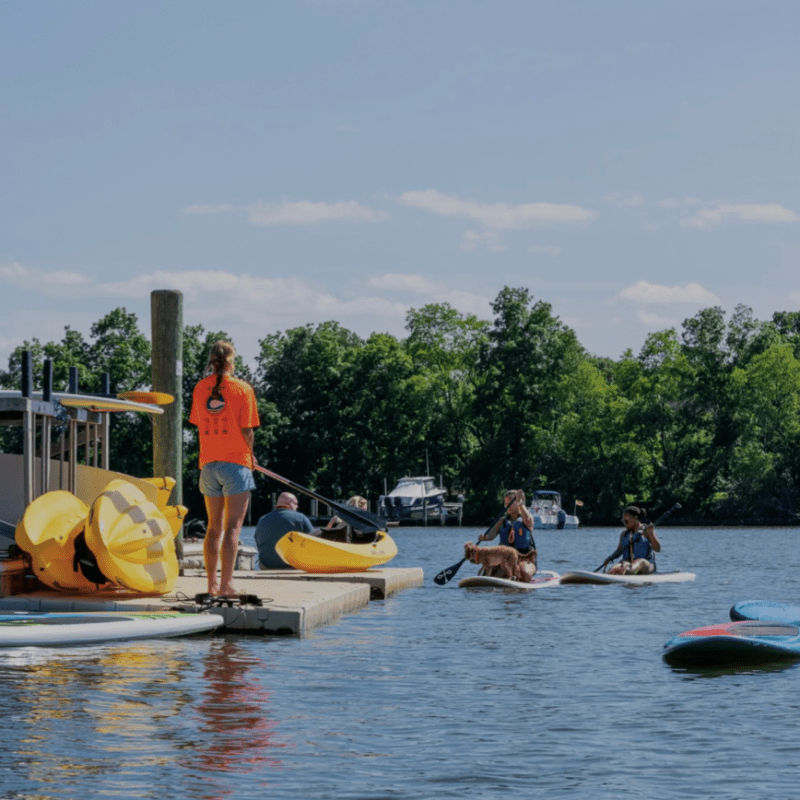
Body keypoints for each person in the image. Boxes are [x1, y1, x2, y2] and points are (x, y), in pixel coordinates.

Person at [189, 340, 259, 596]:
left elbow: (199, 423)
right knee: (232, 528)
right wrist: (251, 456)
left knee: (213, 527)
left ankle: (212, 586)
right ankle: (227, 585)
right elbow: (247, 430)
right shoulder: (242, 389)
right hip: (235, 463)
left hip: (208, 464)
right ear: (232, 361)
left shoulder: (199, 389)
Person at [478, 488, 538, 581]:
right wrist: (484, 537)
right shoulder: (502, 520)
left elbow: (529, 521)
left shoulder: (527, 518)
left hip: (525, 558)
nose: (507, 505)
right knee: (489, 572)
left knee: (524, 573)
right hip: (505, 558)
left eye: (510, 502)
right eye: (505, 503)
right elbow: (491, 534)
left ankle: (519, 575)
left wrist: (520, 503)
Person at [254, 492, 314, 569]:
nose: (297, 506)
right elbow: (313, 540)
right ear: (289, 503)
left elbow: (258, 542)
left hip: (266, 564)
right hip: (292, 565)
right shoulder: (301, 518)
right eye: (295, 503)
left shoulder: (262, 519)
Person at [603, 505, 661, 575]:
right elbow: (619, 551)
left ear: (635, 518)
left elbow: (657, 549)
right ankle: (611, 574)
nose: (624, 523)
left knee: (640, 562)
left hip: (646, 566)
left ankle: (627, 572)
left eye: (626, 521)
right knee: (615, 568)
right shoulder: (624, 534)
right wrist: (609, 558)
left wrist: (651, 535)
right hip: (628, 563)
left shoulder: (647, 531)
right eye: (623, 521)